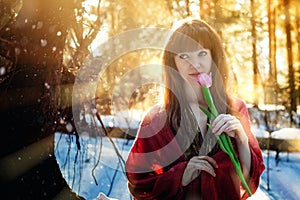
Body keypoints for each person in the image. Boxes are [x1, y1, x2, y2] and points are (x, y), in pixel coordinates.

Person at [125, 18, 265, 200]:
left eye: (202, 53)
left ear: (214, 56)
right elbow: (139, 183)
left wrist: (242, 141)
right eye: (184, 56)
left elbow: (248, 181)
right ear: (172, 62)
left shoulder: (235, 108)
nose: (195, 64)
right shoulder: (157, 118)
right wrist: (180, 175)